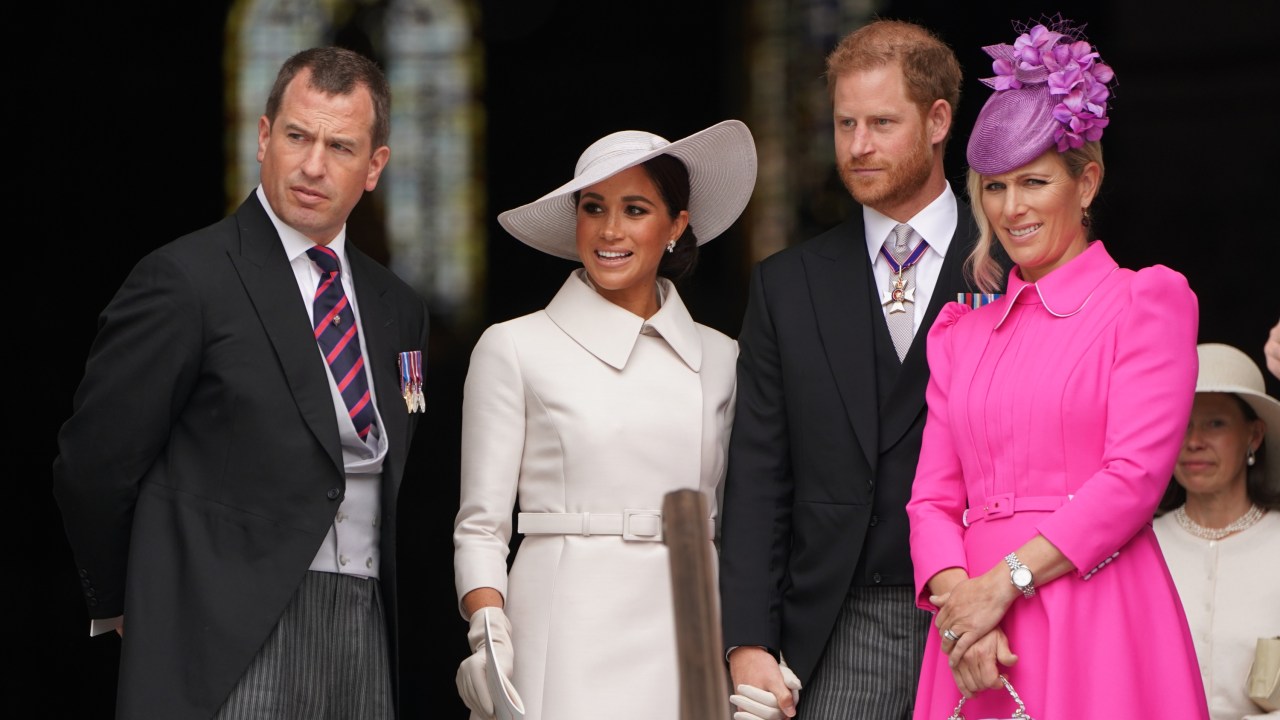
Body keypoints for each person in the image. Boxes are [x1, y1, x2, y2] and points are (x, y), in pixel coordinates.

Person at [51, 47, 430, 720]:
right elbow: (95, 466)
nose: (313, 165)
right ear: (262, 138)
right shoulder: (186, 280)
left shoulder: (398, 308)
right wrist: (127, 601)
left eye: (340, 147)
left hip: (363, 629)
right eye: (296, 136)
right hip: (224, 635)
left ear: (374, 168)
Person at [905, 18, 1211, 718]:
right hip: (973, 633)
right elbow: (930, 501)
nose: (1012, 209)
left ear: (1087, 181)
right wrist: (963, 611)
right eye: (994, 188)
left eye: (1034, 182)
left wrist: (1004, 584)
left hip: (1093, 605)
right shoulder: (961, 333)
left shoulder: (1144, 302)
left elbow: (1133, 478)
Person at [718, 19, 990, 720]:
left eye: (880, 122)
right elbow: (757, 472)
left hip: (985, 609)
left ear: (937, 121)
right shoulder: (788, 285)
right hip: (838, 621)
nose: (858, 145)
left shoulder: (1007, 266)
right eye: (845, 124)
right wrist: (747, 637)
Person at [451, 120, 757, 720]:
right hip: (565, 621)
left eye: (635, 209)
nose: (610, 230)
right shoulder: (513, 347)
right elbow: (481, 526)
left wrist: (753, 645)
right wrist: (488, 631)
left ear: (676, 226)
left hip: (690, 619)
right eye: (594, 208)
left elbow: (741, 524)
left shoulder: (722, 357)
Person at [1154, 342, 1280, 719]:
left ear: (1253, 436)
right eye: (1183, 425)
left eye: (1215, 423)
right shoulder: (1144, 548)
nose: (1194, 442)